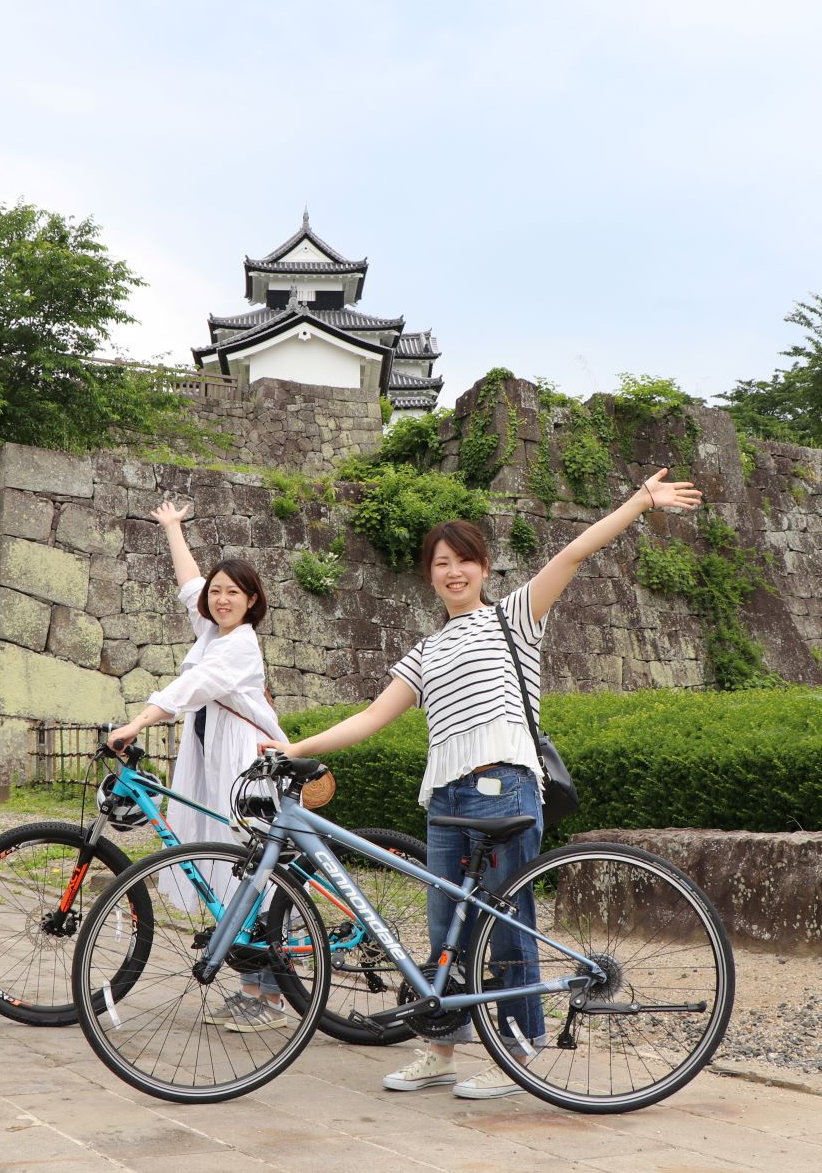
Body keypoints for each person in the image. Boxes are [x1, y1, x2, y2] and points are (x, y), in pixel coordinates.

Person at [264, 467, 702, 1098]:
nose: (452, 572)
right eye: (441, 563)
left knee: (507, 919)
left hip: (505, 785)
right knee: (446, 929)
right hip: (445, 798)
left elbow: (574, 552)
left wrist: (640, 501)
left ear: (484, 568)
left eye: (463, 560)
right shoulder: (425, 650)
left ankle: (522, 1056)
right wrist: (296, 746)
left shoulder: (513, 619)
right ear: (429, 575)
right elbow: (371, 716)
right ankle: (441, 1049)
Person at [108, 500, 291, 1033]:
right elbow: (191, 583)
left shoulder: (240, 647)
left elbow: (191, 688)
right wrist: (172, 529)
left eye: (233, 592)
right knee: (230, 863)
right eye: (218, 592)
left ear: (252, 601)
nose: (220, 598)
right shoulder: (212, 630)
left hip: (245, 762)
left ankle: (271, 996)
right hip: (213, 760)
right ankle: (250, 984)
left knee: (254, 871)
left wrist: (140, 720)